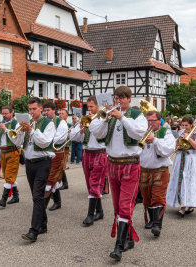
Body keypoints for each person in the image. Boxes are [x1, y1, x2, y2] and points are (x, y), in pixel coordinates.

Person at [90, 86, 148, 261]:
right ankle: (128, 239)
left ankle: (118, 247)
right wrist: (105, 119)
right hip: (113, 164)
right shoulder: (110, 116)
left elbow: (138, 132)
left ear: (129, 99)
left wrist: (122, 117)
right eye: (117, 98)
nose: (119, 101)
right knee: (117, 207)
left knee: (124, 206)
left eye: (122, 98)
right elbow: (95, 130)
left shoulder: (137, 116)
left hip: (130, 164)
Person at [18, 97, 56, 242]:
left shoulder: (48, 124)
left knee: (37, 195)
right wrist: (20, 133)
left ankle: (33, 231)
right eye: (30, 109)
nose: (31, 112)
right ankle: (43, 224)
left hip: (42, 163)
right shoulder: (30, 124)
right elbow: (19, 142)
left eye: (34, 109)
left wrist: (32, 131)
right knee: (37, 196)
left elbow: (45, 141)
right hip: (29, 163)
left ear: (41, 108)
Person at [70, 96, 107, 227]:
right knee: (90, 185)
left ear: (97, 106)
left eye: (91, 106)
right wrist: (80, 130)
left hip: (99, 152)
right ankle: (100, 211)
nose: (89, 109)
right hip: (87, 154)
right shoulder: (86, 119)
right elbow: (75, 138)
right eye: (88, 106)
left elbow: (103, 134)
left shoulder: (103, 118)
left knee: (95, 183)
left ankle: (90, 215)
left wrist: (93, 122)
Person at [139, 111, 175, 237]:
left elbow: (168, 149)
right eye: (148, 120)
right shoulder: (142, 132)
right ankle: (152, 220)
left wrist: (154, 140)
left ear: (159, 121)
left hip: (160, 170)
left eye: (153, 120)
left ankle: (157, 225)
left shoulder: (167, 133)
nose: (150, 123)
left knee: (158, 197)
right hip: (144, 170)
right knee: (147, 196)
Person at [166, 116, 196, 216]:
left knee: (191, 181)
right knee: (181, 181)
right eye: (182, 125)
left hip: (192, 159)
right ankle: (182, 206)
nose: (184, 127)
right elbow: (175, 145)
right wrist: (178, 143)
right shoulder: (180, 133)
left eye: (186, 125)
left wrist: (188, 138)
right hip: (180, 158)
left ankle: (190, 204)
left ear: (191, 125)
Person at [43, 102, 68, 211]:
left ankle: (42, 206)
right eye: (45, 110)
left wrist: (44, 140)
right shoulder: (44, 121)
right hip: (46, 154)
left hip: (57, 154)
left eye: (48, 110)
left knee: (50, 178)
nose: (46, 112)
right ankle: (57, 202)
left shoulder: (61, 122)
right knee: (51, 178)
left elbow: (60, 139)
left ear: (54, 110)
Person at [0, 106, 21, 208]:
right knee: (7, 175)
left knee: (9, 176)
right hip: (3, 152)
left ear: (12, 113)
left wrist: (5, 129)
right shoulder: (2, 123)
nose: (4, 115)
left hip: (13, 152)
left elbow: (16, 137)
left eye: (6, 113)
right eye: (3, 114)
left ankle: (3, 199)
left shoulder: (16, 124)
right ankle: (16, 196)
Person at [58, 109, 70, 190]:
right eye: (60, 113)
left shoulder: (68, 124)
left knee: (62, 166)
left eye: (62, 114)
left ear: (66, 116)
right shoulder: (57, 123)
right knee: (59, 166)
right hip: (59, 148)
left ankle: (65, 183)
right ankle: (64, 183)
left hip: (65, 148)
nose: (60, 115)